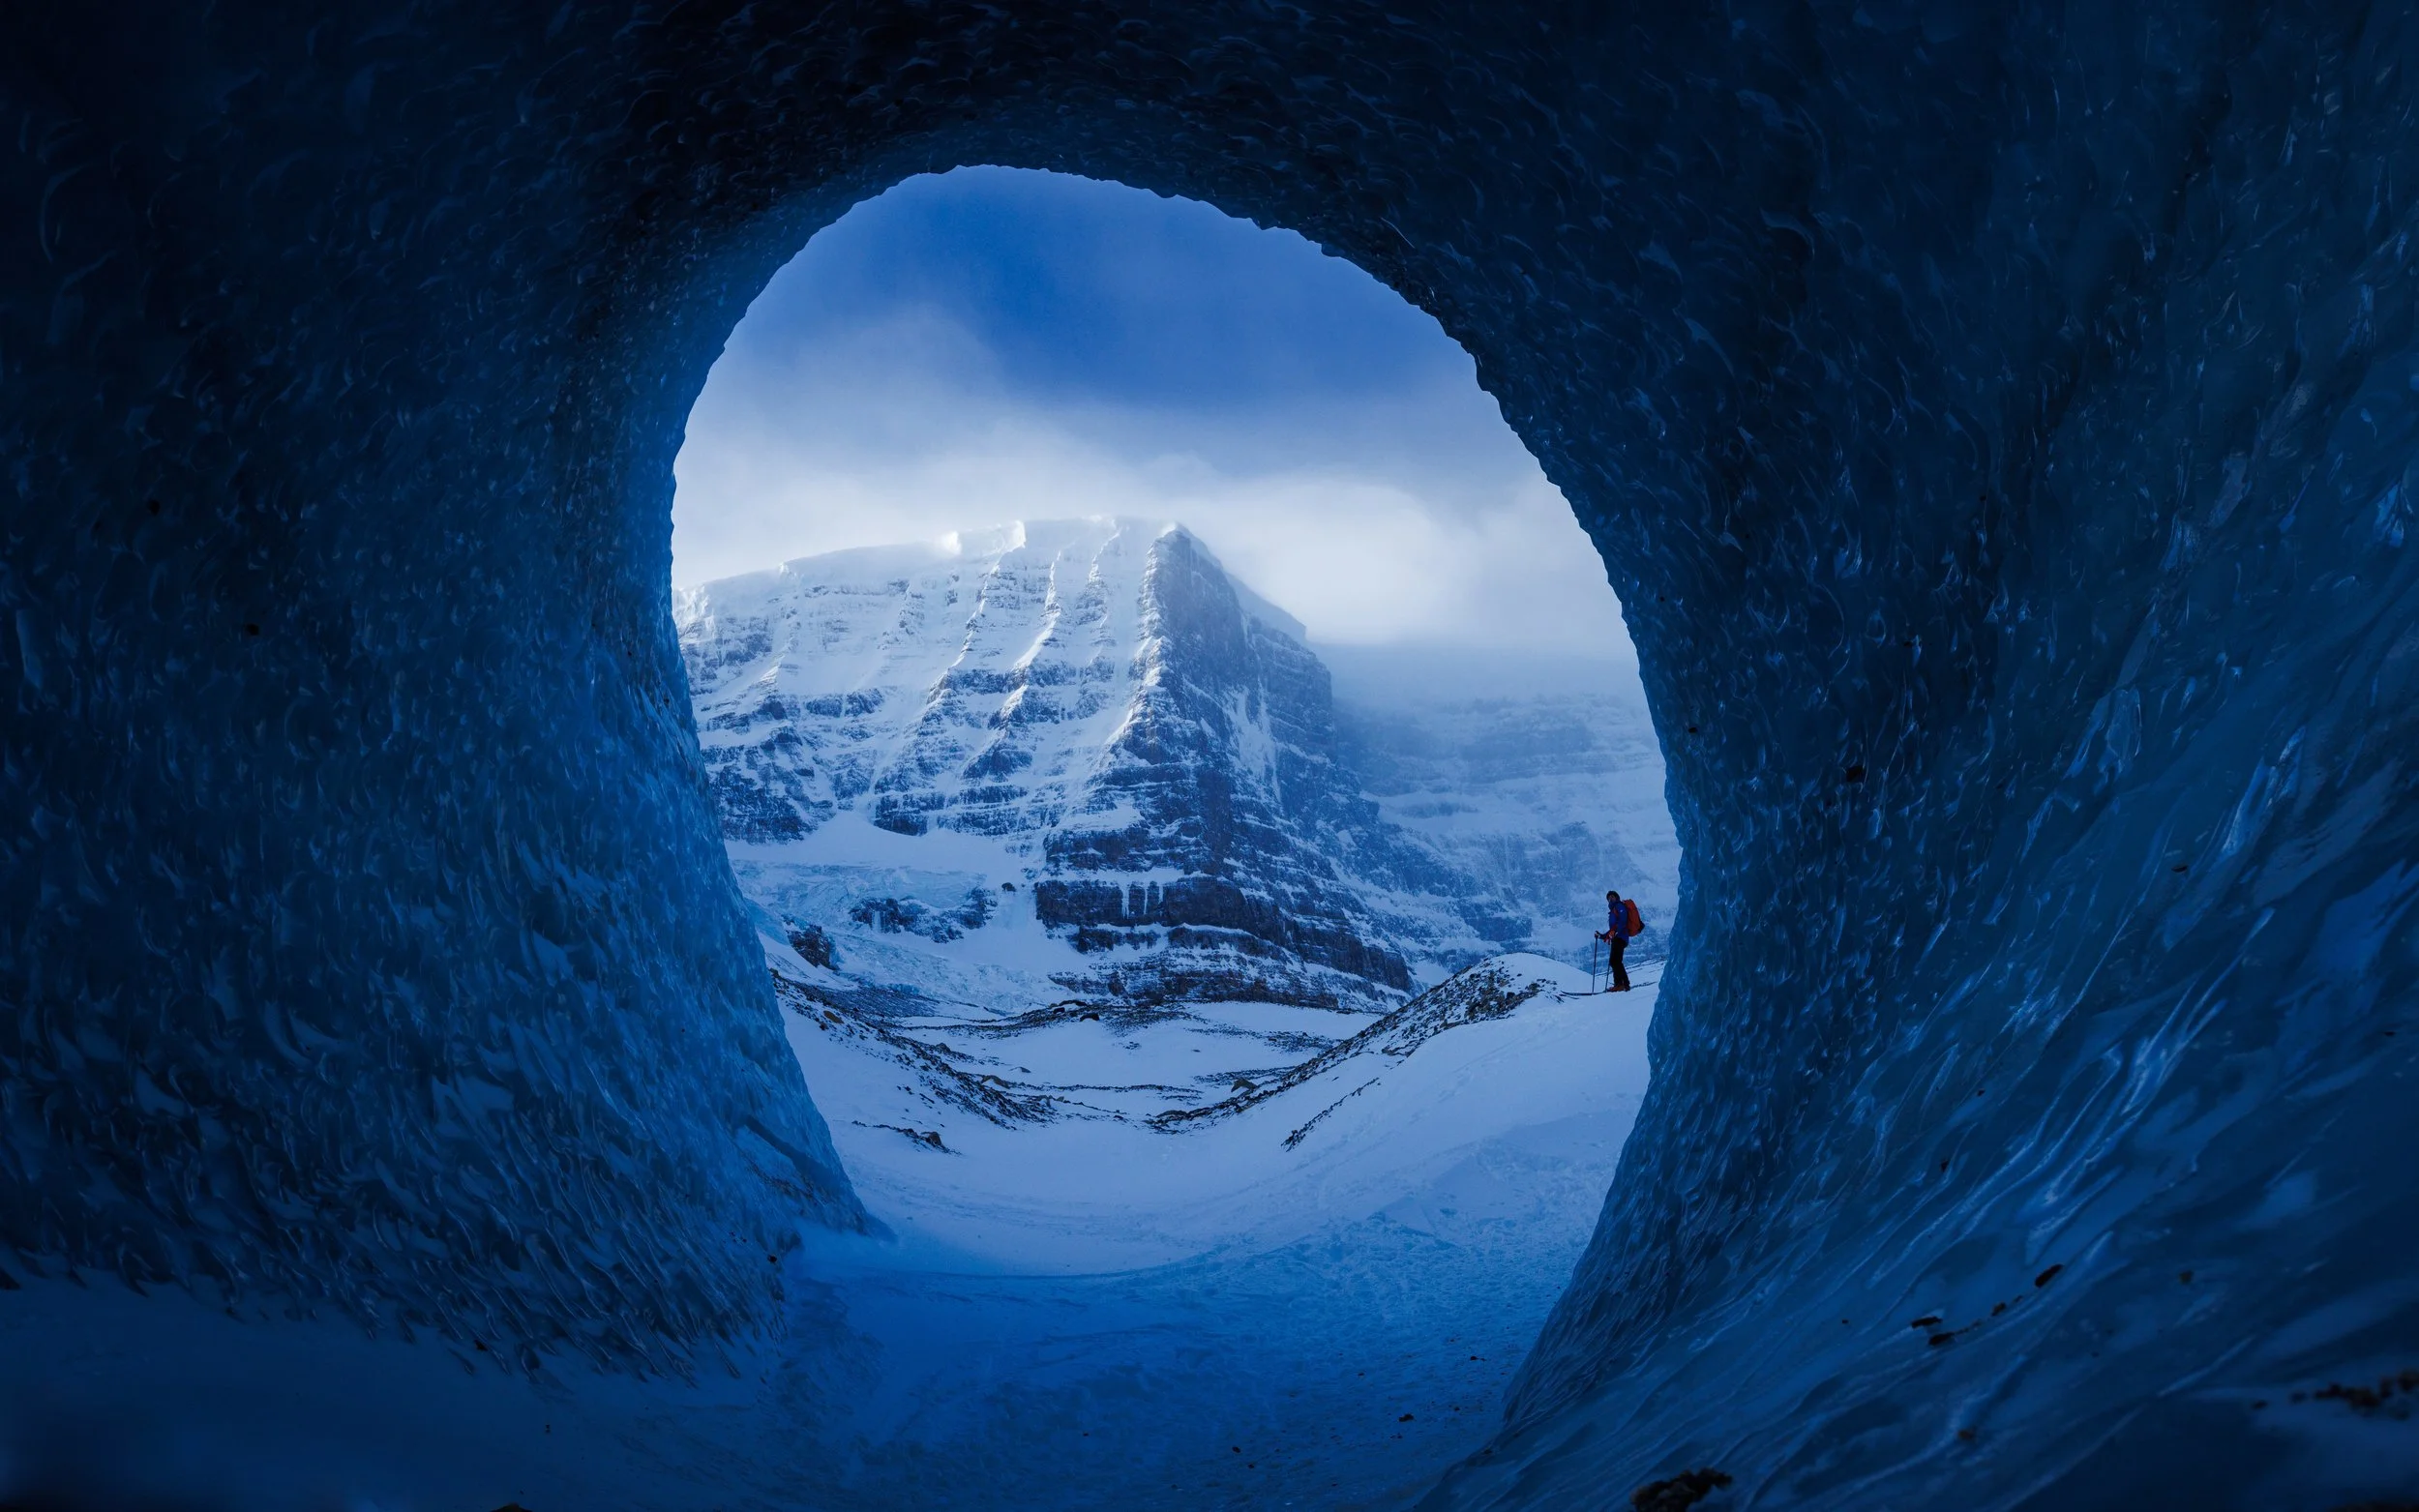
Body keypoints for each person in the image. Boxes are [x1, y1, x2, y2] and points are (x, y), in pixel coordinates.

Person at [1597, 888, 1633, 993]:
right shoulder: (1613, 910)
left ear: (1616, 898)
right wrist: (1601, 936)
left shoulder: (1619, 906)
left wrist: (1615, 931)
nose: (1610, 899)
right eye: (1609, 898)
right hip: (1618, 937)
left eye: (1612, 897)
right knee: (1615, 961)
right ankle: (1623, 984)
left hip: (1620, 937)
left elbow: (1623, 921)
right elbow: (1613, 929)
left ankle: (1620, 984)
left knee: (1615, 961)